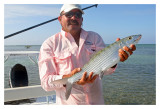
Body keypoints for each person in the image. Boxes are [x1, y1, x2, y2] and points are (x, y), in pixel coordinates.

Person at [38, 4, 136, 105]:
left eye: (78, 14)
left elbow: (105, 70)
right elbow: (46, 82)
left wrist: (115, 60)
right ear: (60, 19)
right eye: (69, 14)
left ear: (82, 19)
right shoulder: (49, 44)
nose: (74, 17)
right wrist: (69, 78)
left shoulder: (95, 37)